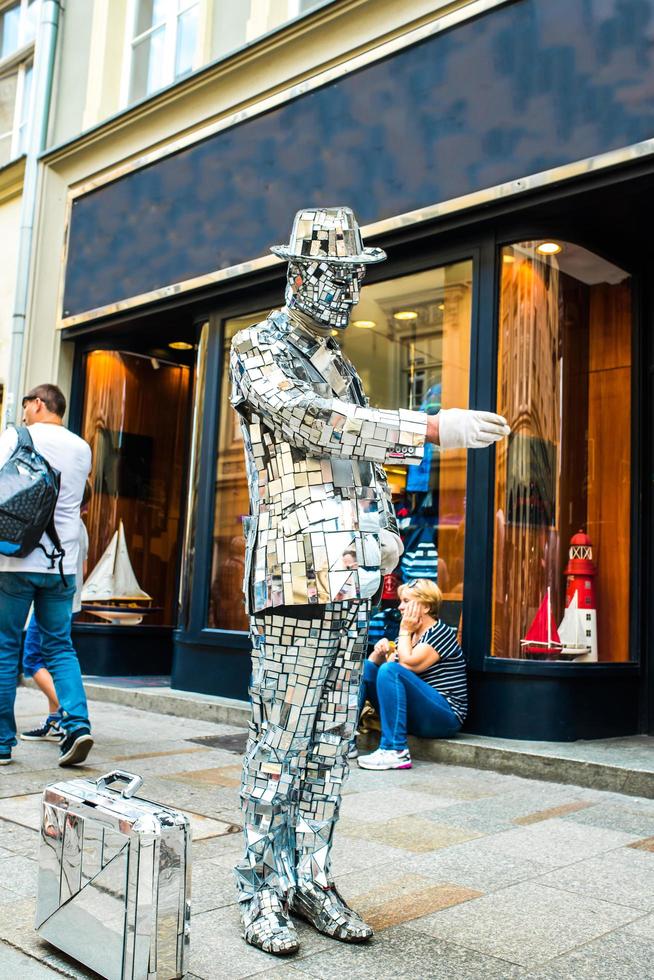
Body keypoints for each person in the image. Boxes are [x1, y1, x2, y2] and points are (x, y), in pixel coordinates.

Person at [229, 206, 510, 956]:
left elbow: (360, 466)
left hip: (352, 579)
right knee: (281, 743)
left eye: (354, 277)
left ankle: (309, 879)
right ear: (295, 273)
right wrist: (426, 427)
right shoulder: (255, 347)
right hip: (293, 577)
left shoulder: (346, 366)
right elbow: (311, 422)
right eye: (331, 274)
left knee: (328, 747)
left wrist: (385, 529)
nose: (345, 291)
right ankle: (257, 888)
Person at [0, 384, 93, 767]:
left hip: (16, 563)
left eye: (26, 407)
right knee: (60, 647)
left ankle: (2, 743)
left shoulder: (14, 437)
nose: (23, 415)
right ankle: (77, 724)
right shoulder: (81, 447)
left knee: (6, 647)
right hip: (62, 564)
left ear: (39, 404)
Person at [356, 579, 466, 770]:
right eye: (401, 601)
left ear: (425, 606)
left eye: (406, 601)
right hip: (416, 715)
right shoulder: (410, 635)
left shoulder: (440, 632)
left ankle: (396, 750)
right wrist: (379, 650)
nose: (400, 607)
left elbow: (407, 664)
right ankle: (347, 740)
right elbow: (376, 667)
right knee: (366, 667)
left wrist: (404, 630)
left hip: (444, 718)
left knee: (391, 671)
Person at [20, 482, 91, 742]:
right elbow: (83, 568)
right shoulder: (80, 529)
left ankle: (69, 711)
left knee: (32, 660)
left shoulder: (57, 523)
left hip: (51, 602)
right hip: (70, 603)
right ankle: (55, 720)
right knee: (52, 659)